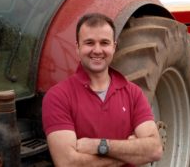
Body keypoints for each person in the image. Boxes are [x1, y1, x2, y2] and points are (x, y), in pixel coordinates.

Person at [42, 13, 163, 167]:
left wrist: (98, 146)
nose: (97, 50)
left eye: (104, 43)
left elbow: (155, 150)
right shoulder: (58, 96)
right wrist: (130, 153)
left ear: (114, 46)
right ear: (77, 48)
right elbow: (68, 163)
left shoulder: (133, 93)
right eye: (89, 43)